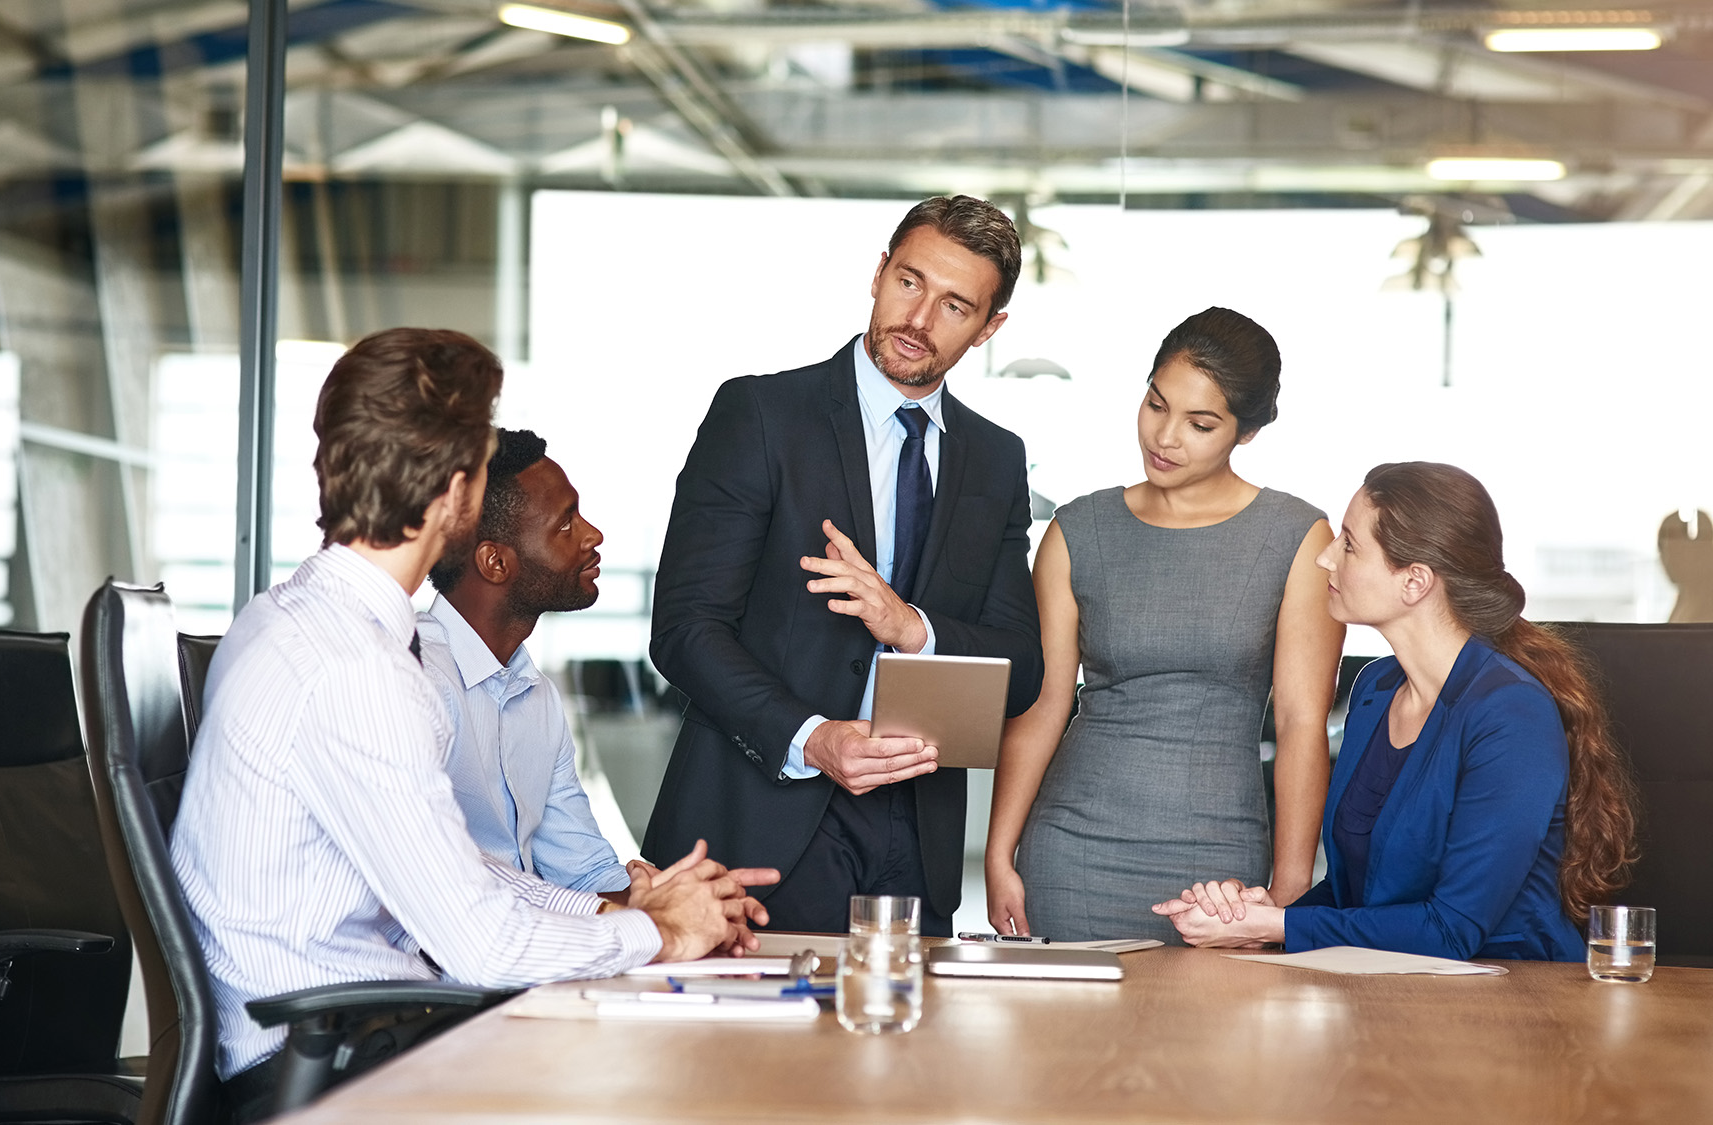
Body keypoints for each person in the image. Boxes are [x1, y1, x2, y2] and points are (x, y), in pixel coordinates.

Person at [168, 329, 776, 1119]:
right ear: (455, 491)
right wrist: (659, 935)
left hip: (350, 1030)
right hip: (322, 1059)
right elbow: (479, 942)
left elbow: (460, 871)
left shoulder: (292, 619)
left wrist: (627, 912)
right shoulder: (359, 671)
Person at [643, 195, 1045, 938]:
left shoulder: (994, 458)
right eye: (909, 282)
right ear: (879, 272)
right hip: (762, 821)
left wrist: (911, 625)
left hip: (915, 838)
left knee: (902, 1052)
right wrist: (813, 736)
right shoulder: (761, 414)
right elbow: (685, 629)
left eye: (955, 306)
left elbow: (1023, 669)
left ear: (991, 329)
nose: (919, 320)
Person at [1152, 463, 1639, 960]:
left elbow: (1451, 931)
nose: (1325, 558)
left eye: (1348, 544)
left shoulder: (1512, 715)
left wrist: (1279, 924)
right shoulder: (1376, 688)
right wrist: (1253, 917)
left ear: (1415, 582)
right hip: (1387, 991)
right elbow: (1358, 900)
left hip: (1513, 1002)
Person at [985, 307, 1342, 943]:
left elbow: (1300, 724)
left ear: (1246, 432)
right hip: (1073, 850)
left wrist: (1289, 891)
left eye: (1200, 424)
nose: (1165, 437)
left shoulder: (1297, 537)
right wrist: (999, 851)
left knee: (1207, 1042)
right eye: (1156, 404)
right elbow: (1043, 707)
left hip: (1220, 866)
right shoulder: (1078, 530)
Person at [422, 427, 636, 900]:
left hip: (520, 955)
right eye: (565, 523)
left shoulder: (535, 695)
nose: (592, 535)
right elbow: (446, 887)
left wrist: (662, 899)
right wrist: (621, 919)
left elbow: (583, 874)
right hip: (434, 967)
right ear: (495, 562)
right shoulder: (418, 683)